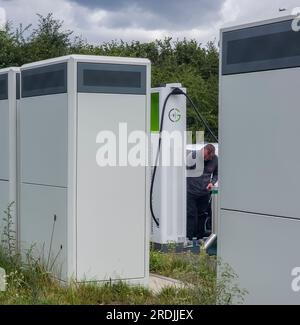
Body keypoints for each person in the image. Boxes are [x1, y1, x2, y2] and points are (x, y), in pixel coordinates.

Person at [186, 144, 218, 240]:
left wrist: (212, 183)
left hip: (205, 192)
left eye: (208, 157)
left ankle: (200, 237)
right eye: (204, 156)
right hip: (190, 191)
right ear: (202, 150)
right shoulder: (193, 156)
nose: (206, 159)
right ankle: (189, 237)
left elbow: (217, 174)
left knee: (202, 214)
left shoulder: (215, 159)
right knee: (191, 214)